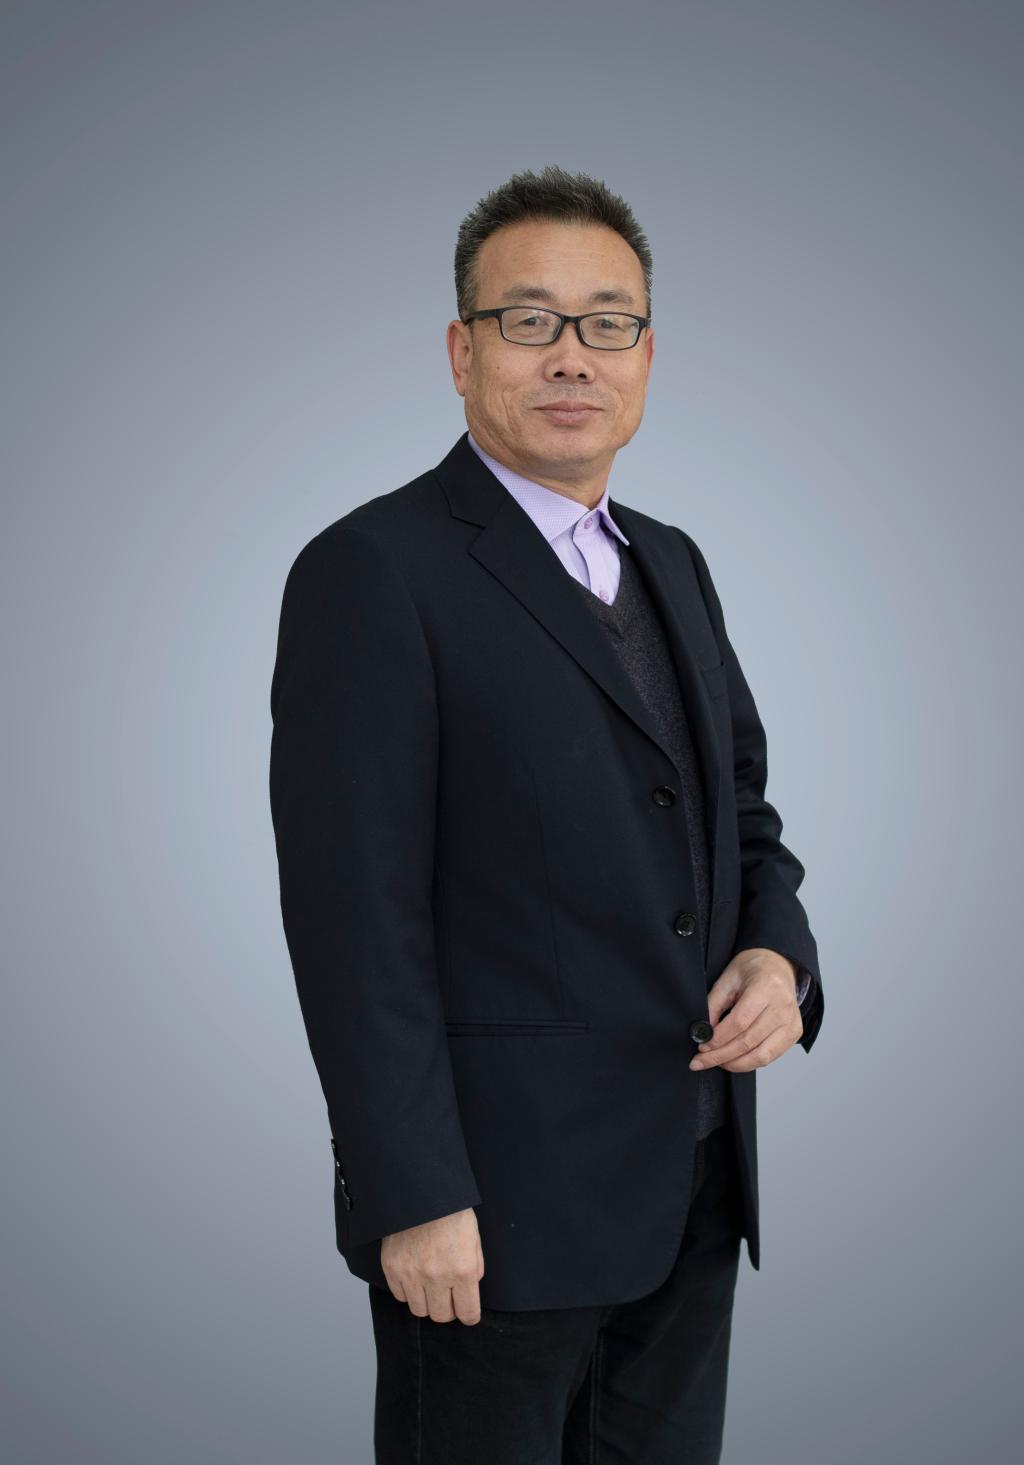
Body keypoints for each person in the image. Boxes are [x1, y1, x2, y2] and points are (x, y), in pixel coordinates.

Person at [268, 164, 824, 1464]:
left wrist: (778, 953)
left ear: (647, 355)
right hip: (490, 1217)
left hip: (691, 1184)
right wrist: (411, 1193)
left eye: (607, 322)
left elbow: (741, 815)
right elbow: (355, 922)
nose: (572, 355)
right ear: (462, 352)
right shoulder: (373, 571)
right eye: (530, 321)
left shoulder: (672, 560)